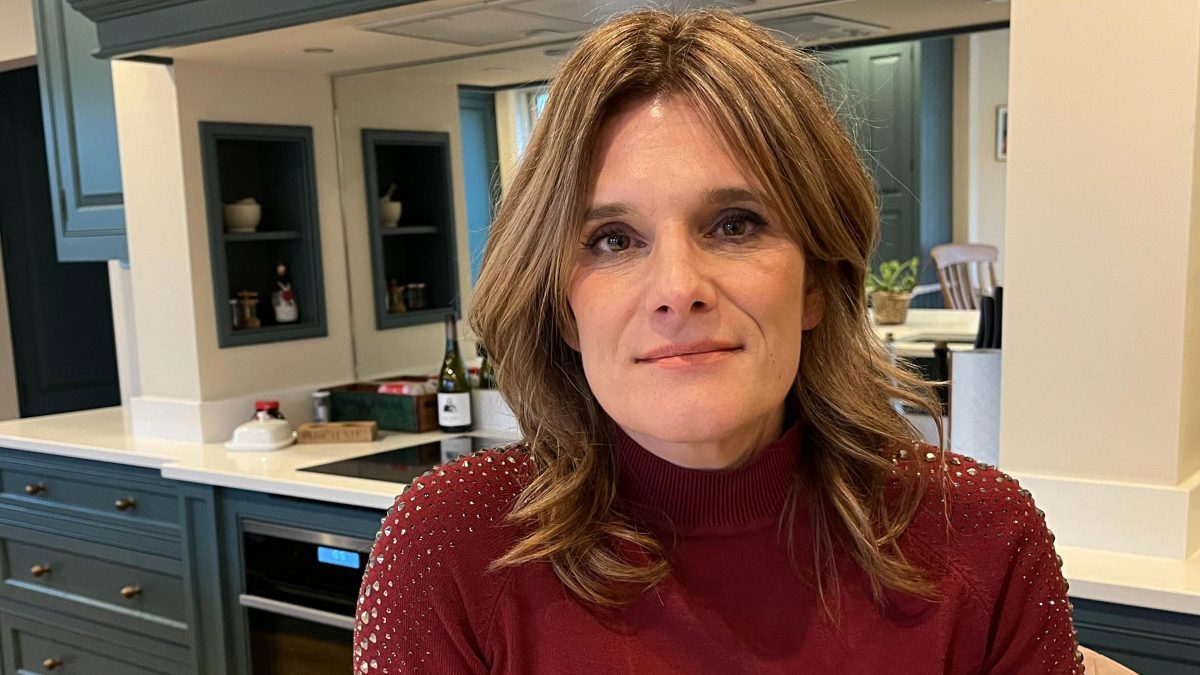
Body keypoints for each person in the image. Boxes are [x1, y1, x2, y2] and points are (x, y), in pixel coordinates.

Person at [354, 9, 1082, 674]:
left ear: (816, 281)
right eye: (613, 239)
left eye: (735, 224)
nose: (678, 287)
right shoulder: (448, 547)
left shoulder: (980, 536)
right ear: (565, 309)